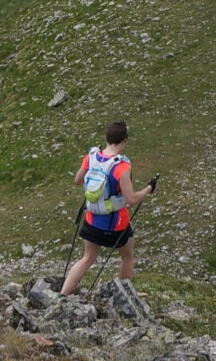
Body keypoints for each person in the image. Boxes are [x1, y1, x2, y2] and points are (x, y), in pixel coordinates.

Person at [59, 120, 154, 295]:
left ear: (106, 138)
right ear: (124, 140)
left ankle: (62, 295)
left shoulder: (91, 157)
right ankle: (125, 294)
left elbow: (78, 180)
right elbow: (131, 200)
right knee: (127, 256)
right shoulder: (121, 167)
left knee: (87, 258)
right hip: (116, 224)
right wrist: (148, 189)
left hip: (92, 220)